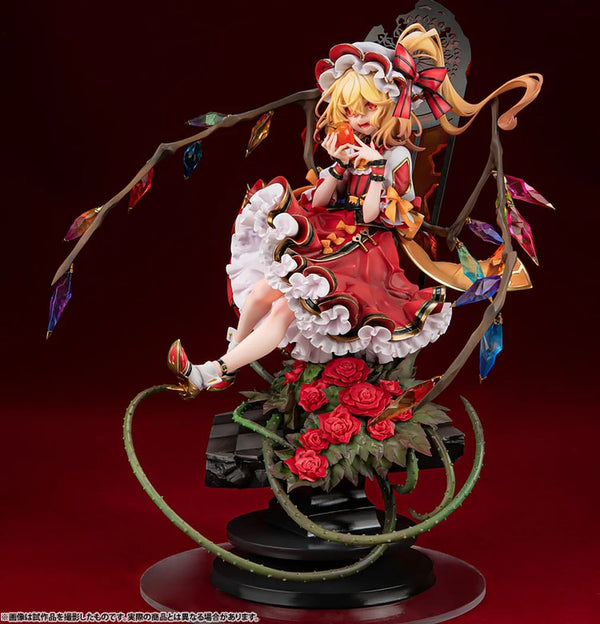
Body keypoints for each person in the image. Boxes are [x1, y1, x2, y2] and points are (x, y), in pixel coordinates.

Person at [168, 24, 542, 398]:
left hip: (365, 252)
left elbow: (371, 215)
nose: (358, 117)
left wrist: (374, 168)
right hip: (330, 237)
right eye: (349, 109)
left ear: (391, 106)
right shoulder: (354, 145)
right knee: (263, 290)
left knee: (284, 311)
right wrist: (337, 165)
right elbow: (318, 203)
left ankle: (212, 372)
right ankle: (228, 359)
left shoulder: (395, 156)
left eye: (369, 107)